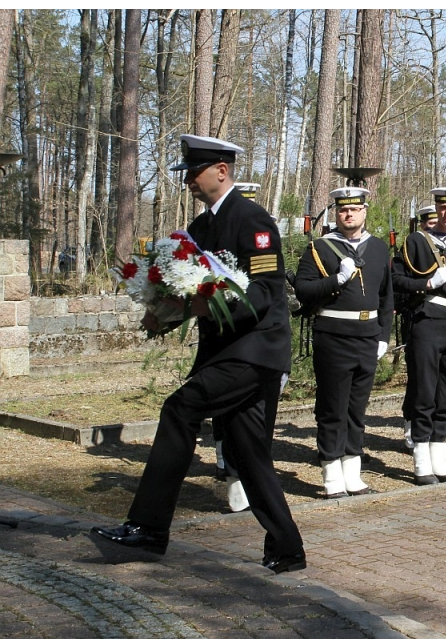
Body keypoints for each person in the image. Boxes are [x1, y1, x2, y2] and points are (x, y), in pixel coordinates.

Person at [91, 134, 305, 573]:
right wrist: (164, 314)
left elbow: (264, 293)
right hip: (223, 353)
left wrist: (206, 304)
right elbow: (188, 289)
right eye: (186, 173)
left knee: (180, 409)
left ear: (221, 171)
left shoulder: (253, 220)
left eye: (194, 172)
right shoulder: (199, 229)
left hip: (254, 352)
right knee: (247, 452)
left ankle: (149, 528)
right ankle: (287, 549)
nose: (187, 180)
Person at [293, 186, 394, 498]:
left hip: (367, 336)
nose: (348, 214)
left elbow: (386, 297)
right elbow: (302, 290)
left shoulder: (377, 247)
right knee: (333, 407)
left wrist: (384, 336)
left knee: (356, 408)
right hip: (334, 335)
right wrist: (335, 280)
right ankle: (332, 474)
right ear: (337, 213)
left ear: (364, 211)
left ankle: (353, 472)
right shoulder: (320, 248)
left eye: (354, 209)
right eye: (342, 210)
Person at [393, 187, 446, 485]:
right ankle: (420, 462)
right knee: (424, 392)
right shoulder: (416, 242)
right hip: (427, 321)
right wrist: (427, 283)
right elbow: (396, 280)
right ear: (436, 209)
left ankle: (439, 460)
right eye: (442, 207)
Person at [401, 204, 439, 450]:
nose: (433, 226)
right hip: (417, 319)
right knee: (418, 379)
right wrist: (426, 284)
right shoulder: (413, 245)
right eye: (429, 223)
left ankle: (431, 429)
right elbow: (400, 283)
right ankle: (410, 425)